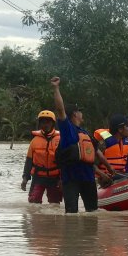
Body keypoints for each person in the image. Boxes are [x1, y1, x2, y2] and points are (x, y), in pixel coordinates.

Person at [50, 77, 98, 213]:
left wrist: (101, 174)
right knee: (71, 215)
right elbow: (60, 110)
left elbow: (89, 158)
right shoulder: (67, 129)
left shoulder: (85, 133)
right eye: (80, 111)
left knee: (93, 214)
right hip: (71, 179)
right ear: (75, 114)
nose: (82, 113)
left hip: (88, 178)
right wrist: (56, 88)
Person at [21, 110, 62, 204]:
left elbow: (65, 162)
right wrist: (25, 178)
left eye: (48, 122)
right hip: (38, 177)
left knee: (54, 204)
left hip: (55, 177)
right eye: (43, 122)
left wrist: (62, 179)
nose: (45, 124)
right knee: (33, 202)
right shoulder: (34, 141)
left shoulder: (60, 139)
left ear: (53, 123)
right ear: (40, 124)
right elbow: (29, 162)